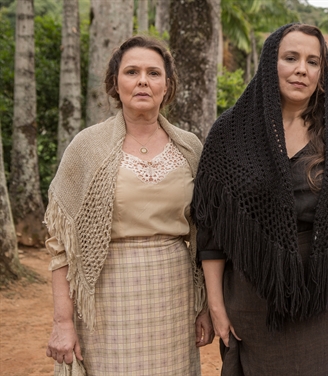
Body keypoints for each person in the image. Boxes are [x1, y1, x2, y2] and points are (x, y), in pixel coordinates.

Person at [191, 23, 328, 375]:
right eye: (291, 58)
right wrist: (216, 304)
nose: (302, 69)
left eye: (313, 61)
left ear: (323, 72)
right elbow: (211, 230)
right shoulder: (229, 133)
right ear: (269, 63)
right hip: (255, 299)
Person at [44, 35, 213, 375]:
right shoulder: (87, 148)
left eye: (153, 73)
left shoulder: (191, 148)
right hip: (106, 297)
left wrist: (205, 306)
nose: (142, 81)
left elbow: (206, 235)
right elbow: (60, 246)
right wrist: (63, 321)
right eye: (131, 71)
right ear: (115, 83)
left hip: (174, 294)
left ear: (167, 85)